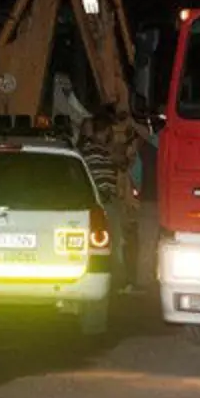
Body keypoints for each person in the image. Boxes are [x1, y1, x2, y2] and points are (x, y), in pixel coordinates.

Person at [79, 111, 128, 290]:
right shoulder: (97, 150)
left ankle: (109, 280)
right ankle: (115, 282)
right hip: (106, 201)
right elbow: (122, 162)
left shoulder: (88, 150)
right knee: (114, 242)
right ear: (106, 130)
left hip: (102, 201)